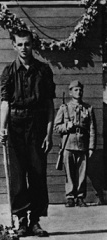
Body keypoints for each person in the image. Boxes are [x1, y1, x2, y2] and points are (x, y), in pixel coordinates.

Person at [0, 29, 55, 237]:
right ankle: (21, 220)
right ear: (14, 45)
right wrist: (2, 128)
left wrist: (49, 134)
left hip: (38, 127)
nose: (24, 48)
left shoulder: (43, 71)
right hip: (15, 126)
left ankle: (35, 221)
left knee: (38, 174)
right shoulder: (9, 72)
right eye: (20, 44)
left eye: (27, 44)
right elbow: (5, 103)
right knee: (19, 175)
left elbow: (49, 105)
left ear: (33, 45)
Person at [54, 80, 96, 208]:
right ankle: (70, 197)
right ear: (70, 92)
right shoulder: (64, 108)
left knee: (82, 172)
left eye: (80, 90)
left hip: (83, 144)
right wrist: (67, 126)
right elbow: (57, 127)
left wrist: (91, 147)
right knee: (70, 172)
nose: (79, 92)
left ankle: (80, 197)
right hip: (68, 144)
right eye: (76, 90)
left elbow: (92, 129)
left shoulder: (88, 108)